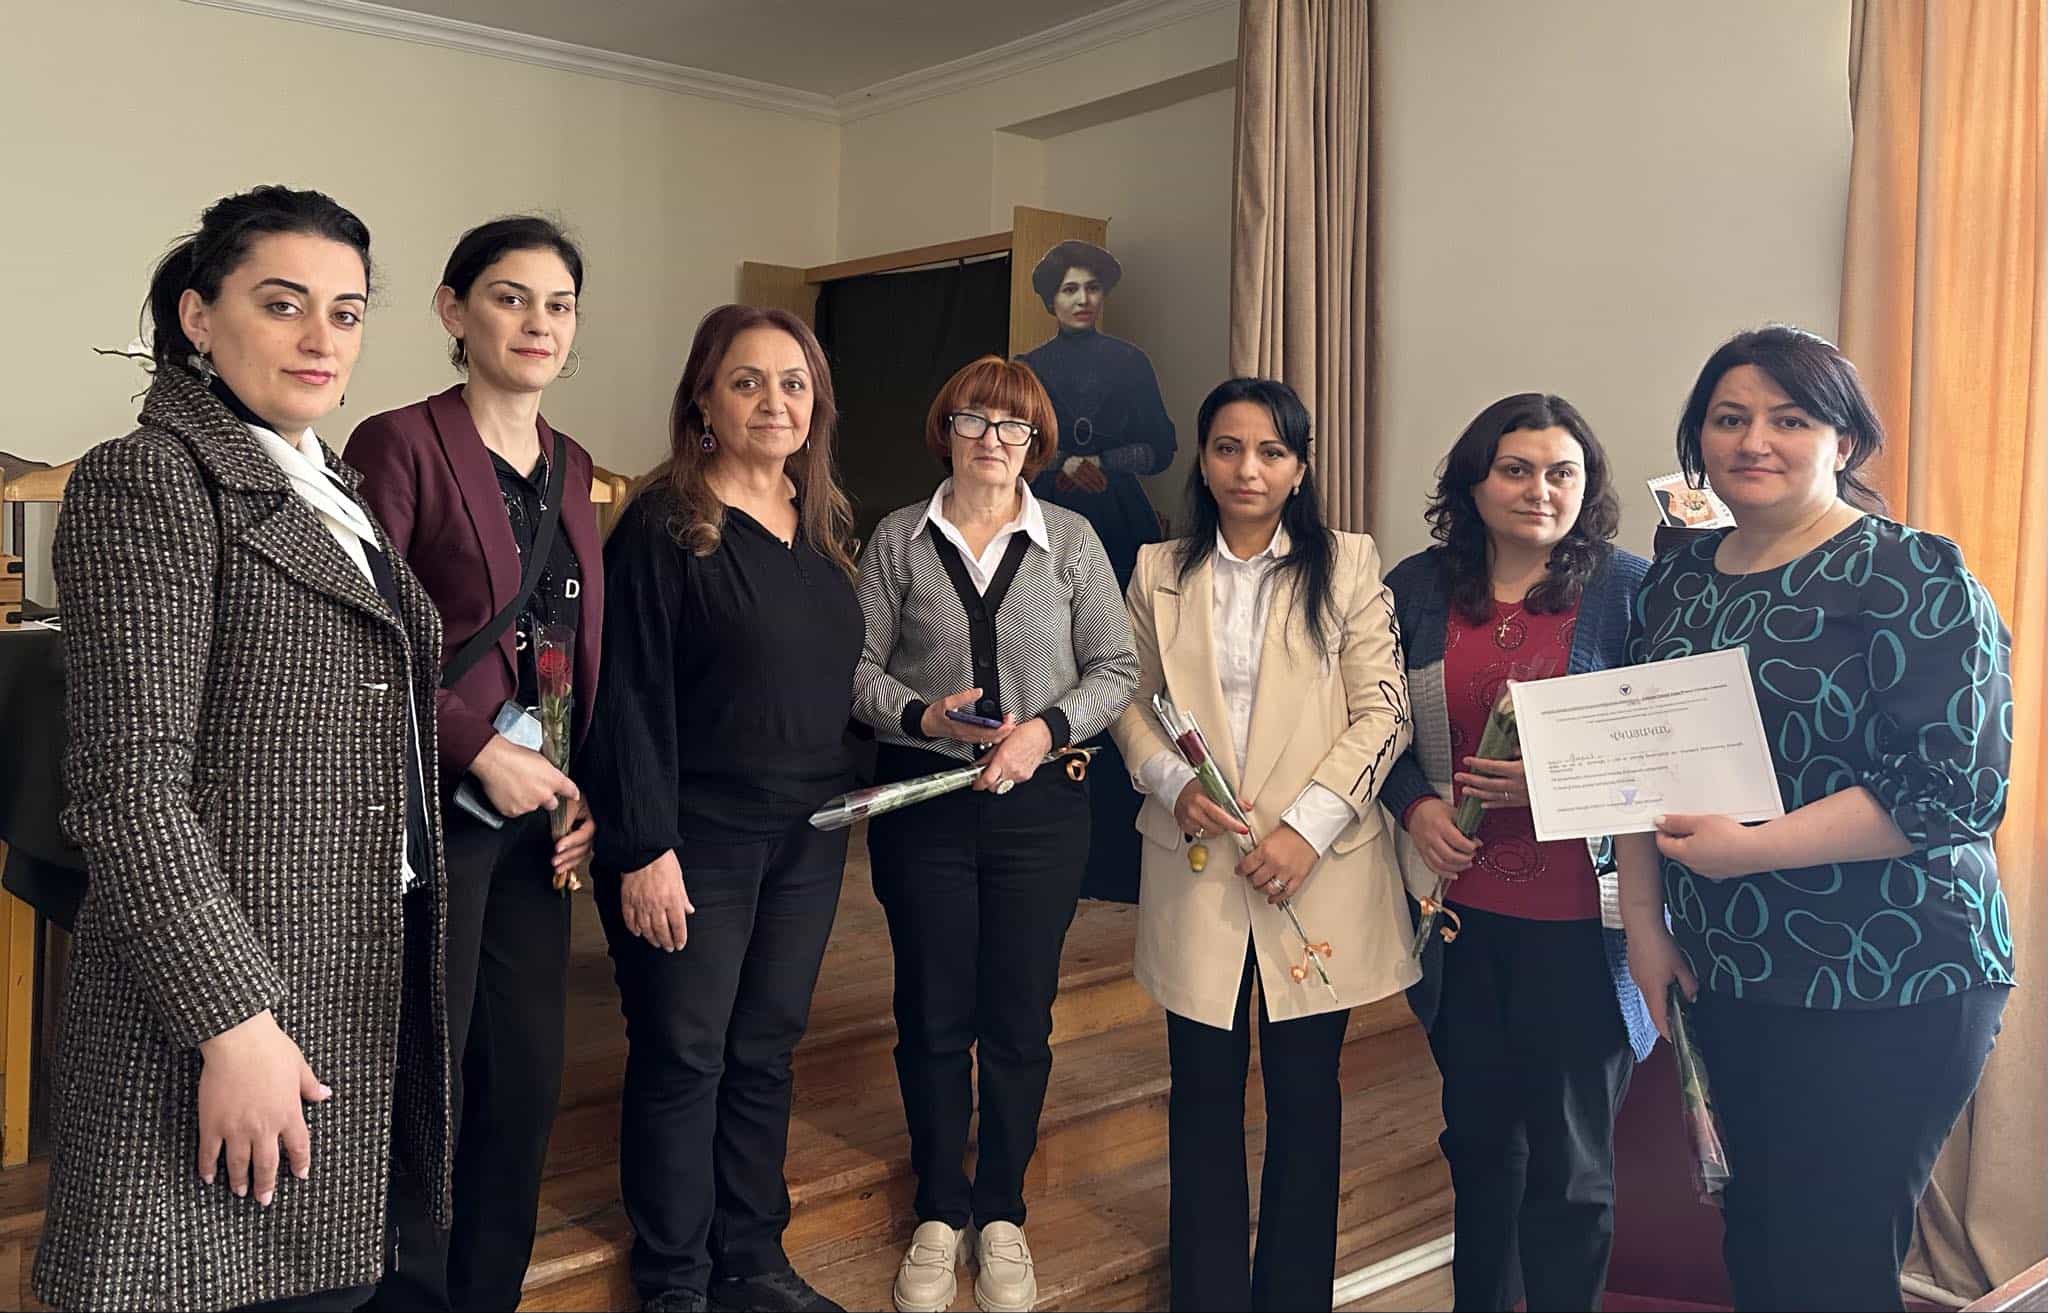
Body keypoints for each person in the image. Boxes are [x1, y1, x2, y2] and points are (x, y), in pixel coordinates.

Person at [33, 186, 450, 1312]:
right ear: (198, 317)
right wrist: (234, 1021)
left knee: (326, 1284)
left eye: (346, 312)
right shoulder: (152, 477)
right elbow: (128, 793)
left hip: (353, 956)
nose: (322, 337)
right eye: (282, 303)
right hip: (229, 987)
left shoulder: (324, 483)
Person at [1622, 326, 2014, 1312]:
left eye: (1789, 419)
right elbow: (1639, 756)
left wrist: (1750, 851)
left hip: (1892, 971)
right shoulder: (1675, 579)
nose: (1753, 440)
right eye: (1729, 418)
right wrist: (1641, 924)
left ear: (1843, 440)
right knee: (1755, 1242)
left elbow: (1955, 787)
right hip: (1728, 965)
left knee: (1830, 1258)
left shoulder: (1911, 572)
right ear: (1697, 440)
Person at [578, 305, 863, 1313]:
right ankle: (674, 1280)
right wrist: (643, 845)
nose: (773, 401)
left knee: (764, 1049)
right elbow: (625, 698)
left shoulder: (820, 524)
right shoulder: (665, 524)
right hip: (694, 836)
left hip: (808, 837)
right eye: (746, 381)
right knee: (684, 1052)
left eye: (793, 382)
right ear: (703, 399)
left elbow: (818, 683)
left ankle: (752, 1258)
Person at [1108, 377, 1413, 1313]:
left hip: (1313, 870)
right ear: (1202, 461)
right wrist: (1171, 781)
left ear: (1300, 467)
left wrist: (1306, 830)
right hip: (1197, 861)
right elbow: (1125, 696)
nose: (1249, 468)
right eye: (1228, 448)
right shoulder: (1158, 568)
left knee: (1305, 1097)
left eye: (1272, 451)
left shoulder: (1349, 564)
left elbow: (1385, 712)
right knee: (1201, 1093)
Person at [345, 215, 601, 1312]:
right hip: (432, 808)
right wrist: (479, 747)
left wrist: (578, 782)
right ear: (454, 310)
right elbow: (363, 634)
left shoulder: (575, 465)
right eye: (510, 296)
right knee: (425, 1074)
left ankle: (486, 1292)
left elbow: (572, 640)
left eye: (559, 304)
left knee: (524, 1076)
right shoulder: (398, 441)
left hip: (538, 815)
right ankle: (404, 1293)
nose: (538, 322)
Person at [853, 356, 1138, 1313]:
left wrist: (1042, 731)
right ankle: (940, 1209)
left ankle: (1003, 1210)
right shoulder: (898, 539)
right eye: (974, 420)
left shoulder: (1073, 542)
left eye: (1013, 426)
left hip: (1042, 812)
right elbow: (855, 667)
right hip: (923, 807)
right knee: (932, 1011)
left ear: (1036, 443)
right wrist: (923, 717)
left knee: (1019, 1017)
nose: (992, 440)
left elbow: (1115, 667)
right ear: (946, 430)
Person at [1380, 393, 1658, 1312]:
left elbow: (1663, 746)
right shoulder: (1416, 588)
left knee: (1572, 1172)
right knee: (1479, 1151)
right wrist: (1415, 805)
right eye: (1517, 469)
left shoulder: (1630, 589)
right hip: (1458, 925)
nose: (1541, 489)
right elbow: (1371, 727)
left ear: (1587, 486)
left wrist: (1559, 785)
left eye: (1562, 472)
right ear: (1474, 480)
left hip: (1584, 930)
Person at [1017, 240, 1172, 904]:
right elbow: (1014, 444)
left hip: (1122, 525)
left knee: (1121, 665)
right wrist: (1062, 468)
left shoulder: (1131, 362)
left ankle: (1118, 858)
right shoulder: (1026, 368)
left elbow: (1163, 445)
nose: (1082, 299)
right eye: (1069, 289)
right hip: (1044, 523)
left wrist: (1105, 463)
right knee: (1049, 661)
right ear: (1050, 300)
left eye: (1092, 288)